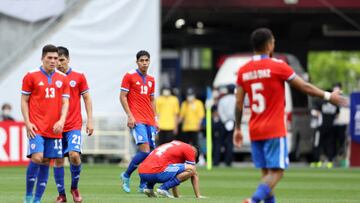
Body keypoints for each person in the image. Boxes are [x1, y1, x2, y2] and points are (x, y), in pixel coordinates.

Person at [233, 28, 346, 203]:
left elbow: (239, 103)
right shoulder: (278, 66)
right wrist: (329, 96)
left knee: (267, 176)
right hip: (274, 129)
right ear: (269, 45)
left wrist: (238, 128)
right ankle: (253, 201)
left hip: (255, 129)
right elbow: (305, 87)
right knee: (277, 173)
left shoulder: (243, 70)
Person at [22, 44, 70, 203]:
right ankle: (28, 196)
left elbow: (65, 102)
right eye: (49, 58)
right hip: (36, 127)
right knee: (37, 157)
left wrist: (62, 120)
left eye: (56, 58)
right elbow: (24, 100)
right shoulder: (31, 76)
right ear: (42, 58)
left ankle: (36, 200)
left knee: (46, 161)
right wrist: (27, 122)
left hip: (54, 129)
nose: (53, 61)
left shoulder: (63, 78)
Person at [53, 46, 94, 203]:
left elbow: (87, 98)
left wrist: (90, 120)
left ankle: (74, 188)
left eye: (62, 60)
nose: (59, 64)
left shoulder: (78, 76)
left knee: (74, 156)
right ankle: (61, 195)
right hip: (55, 126)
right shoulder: (51, 78)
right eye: (56, 60)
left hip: (73, 125)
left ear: (68, 60)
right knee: (57, 160)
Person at [120, 50, 158, 193]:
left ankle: (143, 184)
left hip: (149, 120)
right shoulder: (129, 76)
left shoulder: (151, 79)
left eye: (146, 60)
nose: (144, 63)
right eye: (141, 60)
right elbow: (123, 96)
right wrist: (130, 115)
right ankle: (126, 175)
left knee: (151, 154)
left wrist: (156, 119)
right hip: (137, 119)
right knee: (145, 151)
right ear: (137, 62)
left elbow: (152, 99)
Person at [216, 85, 236, 166]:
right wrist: (232, 120)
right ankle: (228, 162)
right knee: (229, 143)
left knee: (219, 142)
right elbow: (237, 111)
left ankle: (216, 161)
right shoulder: (236, 99)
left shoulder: (222, 99)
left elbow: (220, 111)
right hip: (232, 121)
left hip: (223, 122)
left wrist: (225, 120)